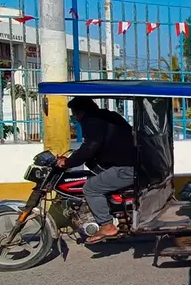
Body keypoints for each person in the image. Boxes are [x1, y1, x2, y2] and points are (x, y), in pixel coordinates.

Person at [56, 98, 138, 244]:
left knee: (90, 188)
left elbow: (89, 147)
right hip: (131, 164)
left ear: (80, 113)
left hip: (126, 168)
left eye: (75, 114)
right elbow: (93, 147)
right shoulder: (110, 116)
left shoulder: (93, 122)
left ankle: (107, 226)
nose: (75, 118)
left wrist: (67, 162)